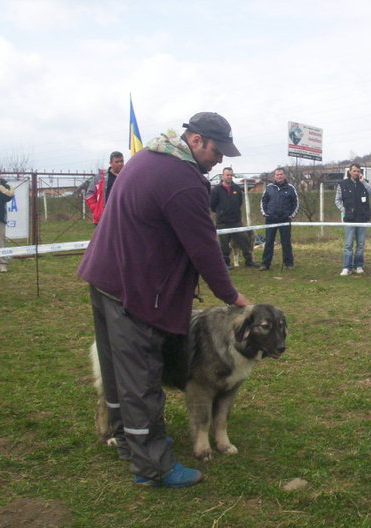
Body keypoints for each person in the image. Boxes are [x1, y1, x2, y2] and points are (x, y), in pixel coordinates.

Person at [78, 111, 250, 488]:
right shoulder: (183, 181)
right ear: (195, 140)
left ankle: (124, 439)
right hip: (135, 289)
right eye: (217, 150)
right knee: (142, 378)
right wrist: (232, 296)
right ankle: (152, 465)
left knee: (115, 370)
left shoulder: (146, 158)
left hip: (103, 276)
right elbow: (204, 247)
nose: (219, 159)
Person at [209, 167, 259, 269]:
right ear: (223, 176)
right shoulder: (216, 190)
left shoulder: (236, 188)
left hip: (236, 222)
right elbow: (212, 205)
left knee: (245, 241)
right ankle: (226, 263)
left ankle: (249, 261)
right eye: (227, 175)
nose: (229, 177)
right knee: (224, 245)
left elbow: (239, 202)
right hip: (222, 222)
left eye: (231, 175)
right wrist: (221, 212)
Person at [335, 163, 371, 276]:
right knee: (348, 245)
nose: (356, 173)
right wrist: (344, 210)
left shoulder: (364, 183)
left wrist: (363, 182)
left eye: (358, 171)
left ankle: (358, 265)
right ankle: (346, 267)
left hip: (362, 218)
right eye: (354, 171)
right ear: (350, 172)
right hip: (349, 219)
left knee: (360, 244)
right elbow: (337, 200)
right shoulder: (342, 184)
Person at [259, 168, 299, 271]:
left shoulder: (290, 188)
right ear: (274, 176)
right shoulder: (269, 188)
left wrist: (291, 215)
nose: (279, 176)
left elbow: (296, 203)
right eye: (277, 174)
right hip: (271, 220)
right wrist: (265, 213)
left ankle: (289, 263)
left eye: (281, 174)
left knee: (286, 242)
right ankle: (265, 264)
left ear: (284, 175)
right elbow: (263, 201)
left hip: (285, 220)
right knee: (268, 242)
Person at [85, 152, 125, 225]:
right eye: (117, 162)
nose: (120, 164)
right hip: (104, 218)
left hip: (122, 218)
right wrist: (96, 209)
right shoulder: (100, 177)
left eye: (121, 161)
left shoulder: (127, 177)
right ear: (110, 163)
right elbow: (89, 194)